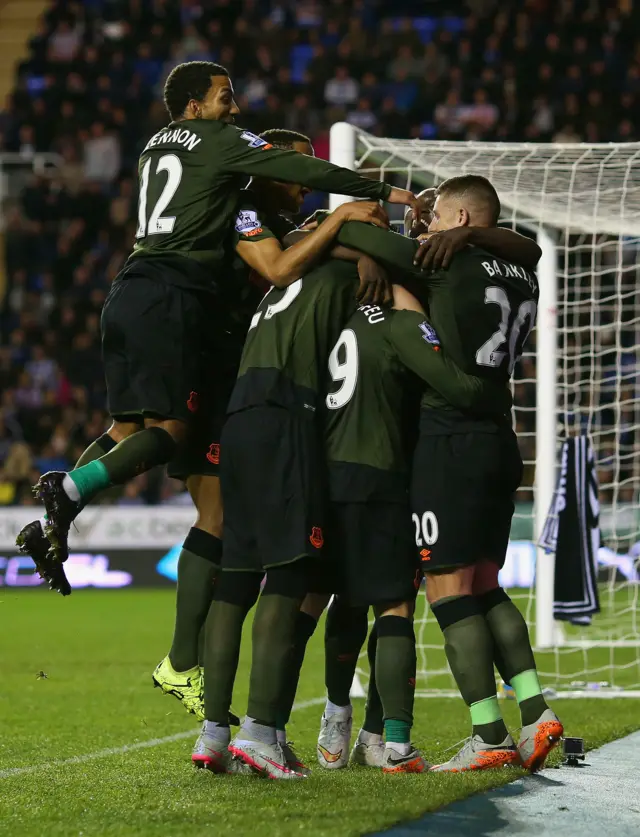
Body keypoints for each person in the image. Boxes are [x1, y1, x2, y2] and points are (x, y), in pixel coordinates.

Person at [20, 60, 416, 593]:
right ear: (194, 106)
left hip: (128, 288)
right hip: (173, 296)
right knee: (169, 435)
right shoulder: (218, 142)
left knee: (125, 431)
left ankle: (55, 521)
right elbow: (303, 175)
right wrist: (380, 193)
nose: (235, 109)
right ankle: (67, 491)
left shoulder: (154, 145)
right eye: (225, 98)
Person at [151, 128, 390, 721]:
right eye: (295, 171)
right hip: (222, 376)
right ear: (263, 173)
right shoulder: (241, 213)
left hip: (239, 381)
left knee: (229, 535)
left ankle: (204, 704)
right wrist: (345, 230)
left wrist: (348, 242)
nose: (305, 183)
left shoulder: (280, 222)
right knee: (234, 534)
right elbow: (281, 270)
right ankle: (185, 664)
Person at [331, 177, 561, 772]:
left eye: (435, 216)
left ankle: (489, 737)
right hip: (500, 439)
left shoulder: (438, 259)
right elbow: (529, 249)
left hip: (449, 441)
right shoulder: (522, 270)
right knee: (486, 584)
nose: (425, 229)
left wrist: (367, 246)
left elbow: (351, 232)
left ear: (459, 216)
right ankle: (537, 714)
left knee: (447, 590)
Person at [191, 179, 392, 779]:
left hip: (242, 415)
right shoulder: (340, 266)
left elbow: (311, 238)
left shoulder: (293, 268)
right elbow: (388, 253)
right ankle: (260, 733)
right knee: (291, 572)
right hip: (286, 414)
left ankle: (213, 734)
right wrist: (379, 238)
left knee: (236, 577)